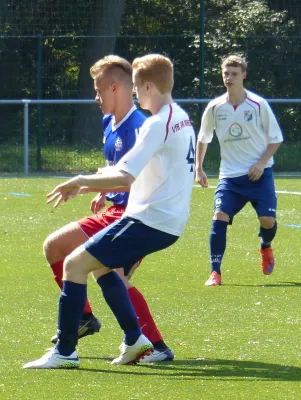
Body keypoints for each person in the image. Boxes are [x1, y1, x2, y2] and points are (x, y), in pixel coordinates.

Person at [23, 53, 196, 369]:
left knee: (75, 264)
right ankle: (137, 341)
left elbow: (127, 177)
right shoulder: (180, 117)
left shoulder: (155, 124)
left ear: (143, 87)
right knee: (101, 267)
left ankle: (65, 351)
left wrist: (80, 180)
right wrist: (95, 187)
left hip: (148, 219)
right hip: (162, 219)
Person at [195, 55, 283, 286]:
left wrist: (261, 163)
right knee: (219, 217)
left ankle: (265, 245)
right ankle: (215, 273)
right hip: (230, 178)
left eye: (234, 73)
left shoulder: (258, 105)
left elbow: (276, 139)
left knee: (267, 220)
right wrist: (199, 168)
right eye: (226, 73)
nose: (229, 77)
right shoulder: (215, 108)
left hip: (259, 175)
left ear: (244, 75)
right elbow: (203, 138)